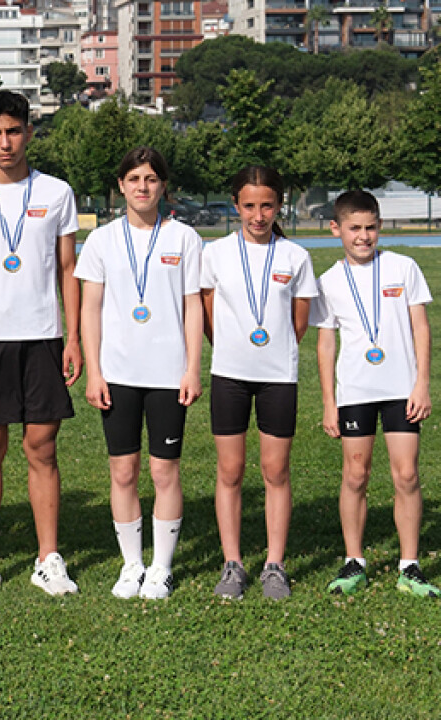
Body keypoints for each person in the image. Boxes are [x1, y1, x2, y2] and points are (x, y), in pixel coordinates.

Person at [0, 90, 82, 598]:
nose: (5, 143)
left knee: (42, 447)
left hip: (43, 336)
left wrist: (72, 338)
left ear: (29, 132)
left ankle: (49, 558)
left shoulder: (57, 192)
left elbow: (68, 269)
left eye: (13, 131)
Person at [75, 147, 203, 600]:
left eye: (150, 179)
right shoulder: (102, 240)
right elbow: (89, 309)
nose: (142, 187)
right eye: (134, 179)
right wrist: (94, 372)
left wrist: (192, 368)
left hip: (168, 375)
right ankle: (132, 565)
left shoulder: (184, 238)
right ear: (121, 186)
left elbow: (192, 306)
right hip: (118, 374)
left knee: (164, 471)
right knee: (123, 470)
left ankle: (161, 567)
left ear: (163, 185)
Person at [312, 190, 438, 598]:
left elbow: (421, 328)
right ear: (336, 229)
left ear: (380, 226)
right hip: (355, 391)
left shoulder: (403, 267)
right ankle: (355, 561)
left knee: (407, 474)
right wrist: (329, 402)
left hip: (402, 388)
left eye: (370, 227)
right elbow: (326, 344)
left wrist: (422, 383)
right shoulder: (328, 281)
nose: (363, 236)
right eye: (354, 228)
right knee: (355, 475)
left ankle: (409, 566)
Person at [201, 166, 317, 600]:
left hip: (278, 377)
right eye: (249, 206)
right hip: (229, 375)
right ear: (236, 206)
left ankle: (274, 564)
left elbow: (298, 322)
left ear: (279, 205)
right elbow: (208, 312)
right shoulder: (215, 253)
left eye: (267, 205)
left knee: (276, 470)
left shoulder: (295, 257)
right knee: (230, 470)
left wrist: (272, 350)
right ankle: (232, 563)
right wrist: (234, 349)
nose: (258, 215)